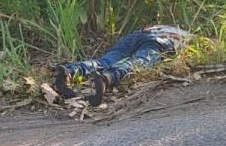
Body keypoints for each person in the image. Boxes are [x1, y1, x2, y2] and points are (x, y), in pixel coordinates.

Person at [52, 25, 191, 107]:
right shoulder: (185, 34)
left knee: (103, 61)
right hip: (161, 42)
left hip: (134, 36)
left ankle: (69, 71)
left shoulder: (157, 25)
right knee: (138, 62)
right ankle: (106, 79)